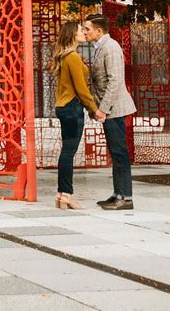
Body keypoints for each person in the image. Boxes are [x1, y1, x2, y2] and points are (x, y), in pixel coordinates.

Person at [83, 13, 137, 211]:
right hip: (109, 108)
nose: (84, 32)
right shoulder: (100, 47)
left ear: (99, 30)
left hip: (114, 108)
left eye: (87, 28)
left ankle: (127, 198)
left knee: (119, 152)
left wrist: (103, 110)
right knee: (115, 152)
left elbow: (115, 81)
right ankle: (118, 194)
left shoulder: (111, 47)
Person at [50, 21, 105, 210]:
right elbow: (81, 89)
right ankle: (67, 194)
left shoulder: (63, 56)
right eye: (81, 30)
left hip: (64, 106)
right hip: (72, 107)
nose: (83, 32)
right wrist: (94, 109)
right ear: (73, 34)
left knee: (66, 151)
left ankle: (61, 195)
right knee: (68, 152)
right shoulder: (72, 57)